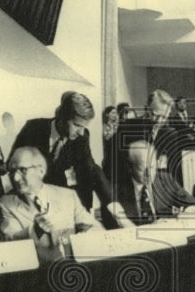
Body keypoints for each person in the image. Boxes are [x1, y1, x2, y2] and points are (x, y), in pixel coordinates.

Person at [10, 91, 125, 223]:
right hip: (34, 208)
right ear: (63, 118)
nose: (81, 131)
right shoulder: (33, 129)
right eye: (77, 125)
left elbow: (92, 169)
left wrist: (116, 210)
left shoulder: (82, 137)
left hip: (69, 208)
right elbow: (13, 164)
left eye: (84, 126)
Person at [0, 147, 102, 252]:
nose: (16, 178)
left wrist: (86, 235)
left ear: (41, 170)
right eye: (12, 172)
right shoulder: (5, 204)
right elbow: (10, 239)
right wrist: (34, 231)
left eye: (23, 170)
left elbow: (94, 228)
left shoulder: (68, 195)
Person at [113, 140, 195, 224]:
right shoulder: (117, 190)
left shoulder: (166, 180)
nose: (149, 174)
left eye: (152, 167)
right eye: (142, 169)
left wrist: (190, 212)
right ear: (130, 167)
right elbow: (111, 224)